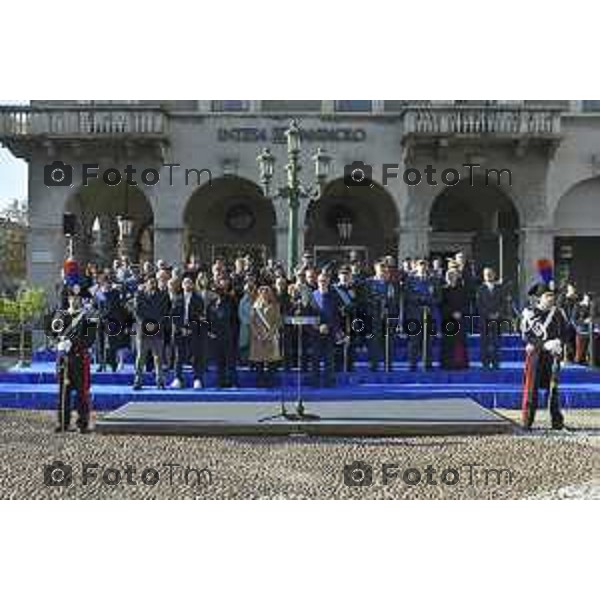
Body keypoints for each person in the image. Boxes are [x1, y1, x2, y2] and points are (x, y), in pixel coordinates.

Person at [520, 282, 569, 430]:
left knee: (553, 389)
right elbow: (526, 336)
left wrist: (559, 342)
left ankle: (557, 421)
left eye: (552, 296)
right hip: (535, 356)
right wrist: (543, 344)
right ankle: (527, 421)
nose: (550, 299)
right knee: (531, 388)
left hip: (552, 355)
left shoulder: (558, 313)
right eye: (547, 296)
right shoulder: (529, 314)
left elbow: (565, 332)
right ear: (539, 298)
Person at [55, 293, 95, 433]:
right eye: (71, 297)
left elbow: (90, 338)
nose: (74, 300)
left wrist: (72, 342)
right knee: (63, 393)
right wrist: (59, 342)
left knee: (81, 393)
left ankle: (82, 423)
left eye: (77, 298)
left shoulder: (89, 316)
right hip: (63, 359)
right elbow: (54, 333)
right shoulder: (61, 315)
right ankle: (63, 423)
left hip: (79, 358)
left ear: (81, 300)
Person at [132, 276, 171, 390]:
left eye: (154, 282)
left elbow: (165, 311)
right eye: (150, 282)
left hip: (158, 330)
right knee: (141, 358)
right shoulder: (139, 295)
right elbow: (137, 312)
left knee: (158, 358)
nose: (152, 284)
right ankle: (138, 381)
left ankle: (160, 381)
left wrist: (155, 324)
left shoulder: (163, 296)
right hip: (143, 331)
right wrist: (146, 324)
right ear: (146, 284)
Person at [170, 276, 207, 389]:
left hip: (194, 331)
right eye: (185, 283)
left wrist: (190, 328)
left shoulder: (198, 299)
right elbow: (173, 315)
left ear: (193, 285)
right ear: (182, 285)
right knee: (178, 356)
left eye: (189, 283)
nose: (187, 285)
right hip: (179, 332)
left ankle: (197, 379)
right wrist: (181, 328)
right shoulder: (177, 298)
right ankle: (177, 379)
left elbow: (199, 316)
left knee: (196, 356)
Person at [206, 276, 239, 388]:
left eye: (219, 291)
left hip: (228, 335)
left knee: (230, 361)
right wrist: (209, 332)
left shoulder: (231, 301)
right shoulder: (211, 304)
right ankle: (220, 382)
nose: (217, 293)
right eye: (215, 291)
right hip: (216, 336)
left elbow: (235, 320)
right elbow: (208, 320)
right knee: (219, 361)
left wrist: (233, 334)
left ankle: (232, 382)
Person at [405, 259, 437, 371]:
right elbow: (408, 296)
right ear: (416, 267)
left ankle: (427, 363)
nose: (422, 267)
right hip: (415, 314)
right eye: (420, 265)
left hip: (429, 314)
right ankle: (412, 364)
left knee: (428, 340)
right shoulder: (410, 280)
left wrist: (429, 302)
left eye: (425, 265)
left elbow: (438, 296)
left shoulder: (433, 280)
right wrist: (421, 299)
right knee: (414, 340)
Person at [310, 273, 341, 386]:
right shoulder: (312, 295)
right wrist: (318, 327)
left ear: (328, 282)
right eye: (320, 281)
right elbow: (309, 313)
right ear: (317, 282)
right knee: (315, 358)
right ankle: (314, 381)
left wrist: (329, 326)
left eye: (325, 281)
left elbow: (336, 315)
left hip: (330, 331)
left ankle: (329, 381)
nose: (322, 283)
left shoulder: (334, 296)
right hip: (315, 332)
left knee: (329, 358)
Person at [249, 286, 282, 387]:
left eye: (267, 292)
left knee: (271, 362)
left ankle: (270, 382)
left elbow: (277, 322)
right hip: (258, 338)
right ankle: (260, 382)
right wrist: (258, 334)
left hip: (271, 337)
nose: (265, 294)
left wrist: (269, 334)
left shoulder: (275, 306)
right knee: (259, 362)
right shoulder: (255, 307)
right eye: (262, 292)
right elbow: (252, 322)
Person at [476, 267, 505, 369]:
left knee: (496, 341)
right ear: (484, 276)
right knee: (485, 342)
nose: (488, 275)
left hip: (497, 319)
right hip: (484, 319)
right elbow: (479, 305)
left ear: (494, 275)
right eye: (486, 274)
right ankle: (485, 363)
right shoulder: (480, 289)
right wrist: (488, 314)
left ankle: (496, 362)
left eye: (490, 273)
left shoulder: (500, 288)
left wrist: (498, 314)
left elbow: (503, 303)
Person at [440, 269, 469, 370]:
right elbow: (442, 304)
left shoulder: (462, 289)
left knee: (459, 341)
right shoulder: (443, 289)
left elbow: (466, 303)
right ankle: (448, 363)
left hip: (460, 318)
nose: (452, 277)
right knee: (448, 341)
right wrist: (452, 312)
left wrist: (460, 312)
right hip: (448, 318)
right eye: (450, 275)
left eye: (454, 275)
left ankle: (460, 363)